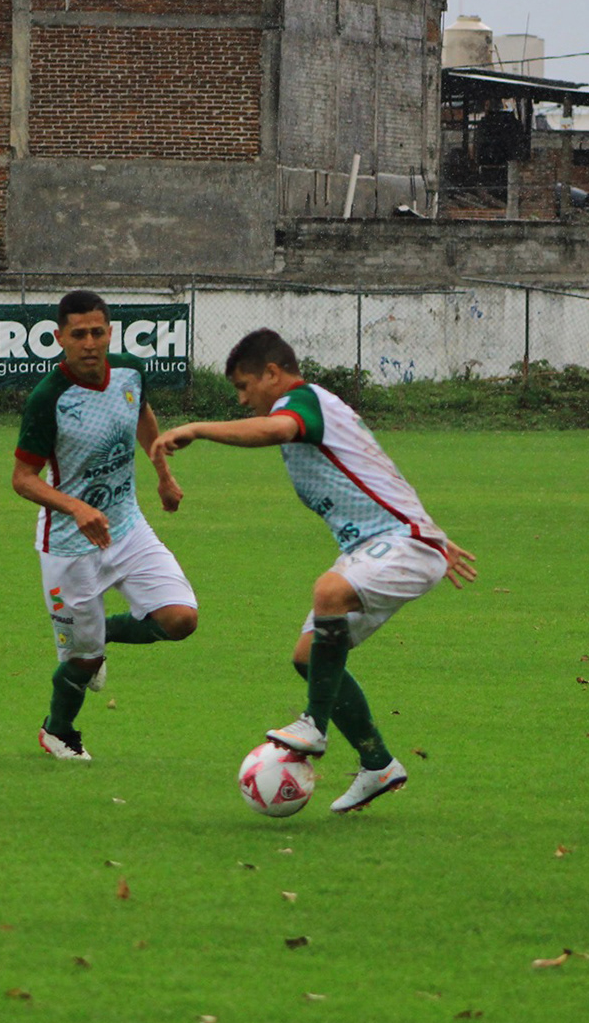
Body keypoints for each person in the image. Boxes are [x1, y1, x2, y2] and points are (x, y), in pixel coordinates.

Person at [151, 328, 475, 813]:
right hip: (384, 544)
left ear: (273, 374)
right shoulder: (317, 410)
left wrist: (198, 428)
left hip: (399, 543)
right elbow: (375, 470)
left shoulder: (303, 403)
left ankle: (313, 726)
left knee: (329, 592)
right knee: (310, 656)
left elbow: (277, 431)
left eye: (244, 387)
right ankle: (377, 764)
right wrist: (431, 532)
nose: (242, 400)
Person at [12, 290, 198, 762]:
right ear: (60, 338)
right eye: (78, 334)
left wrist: (163, 475)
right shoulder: (48, 398)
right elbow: (23, 479)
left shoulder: (130, 371)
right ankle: (57, 731)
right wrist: (75, 507)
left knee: (181, 620)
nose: (90, 343)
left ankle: (101, 632)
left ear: (110, 332)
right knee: (83, 660)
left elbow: (141, 415)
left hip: (127, 527)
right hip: (69, 545)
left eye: (97, 332)